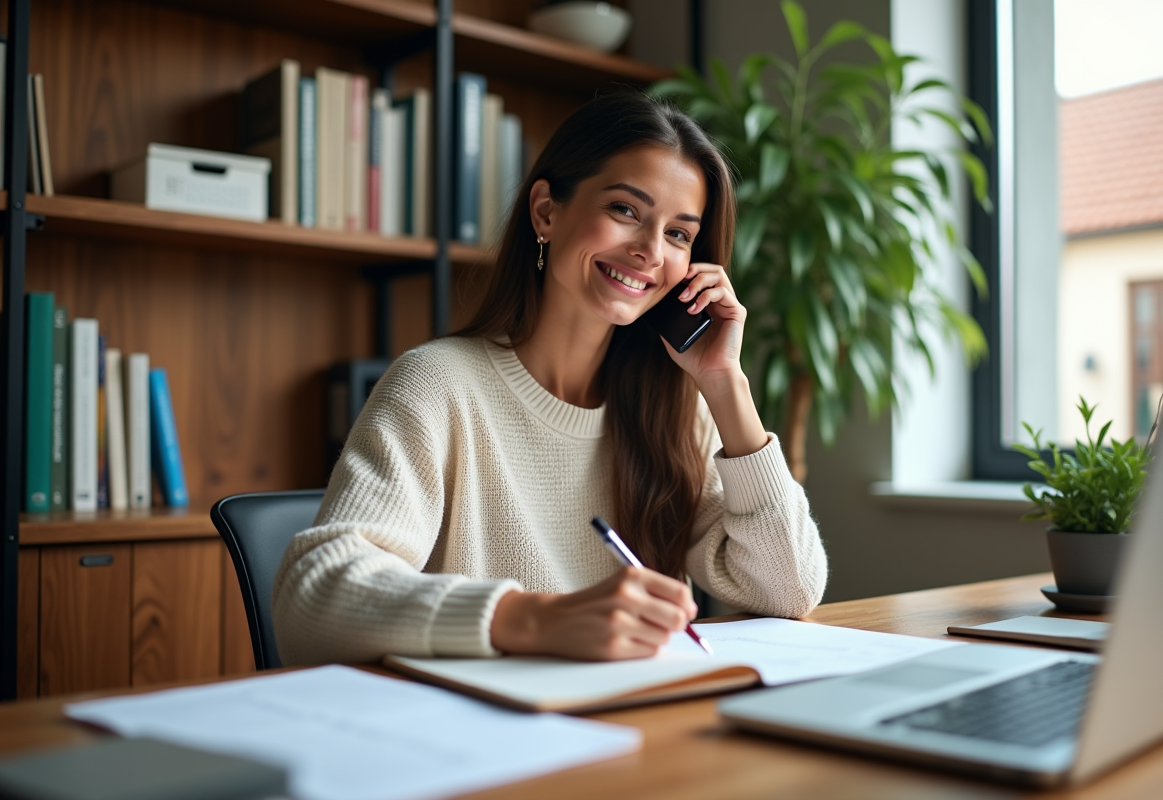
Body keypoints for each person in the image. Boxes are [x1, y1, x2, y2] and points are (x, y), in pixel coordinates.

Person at [272, 91, 827, 665]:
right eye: (626, 211)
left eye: (679, 235)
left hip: (638, 725)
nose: (649, 252)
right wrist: (532, 618)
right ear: (546, 211)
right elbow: (311, 599)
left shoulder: (677, 407)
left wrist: (725, 383)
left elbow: (790, 591)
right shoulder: (436, 386)